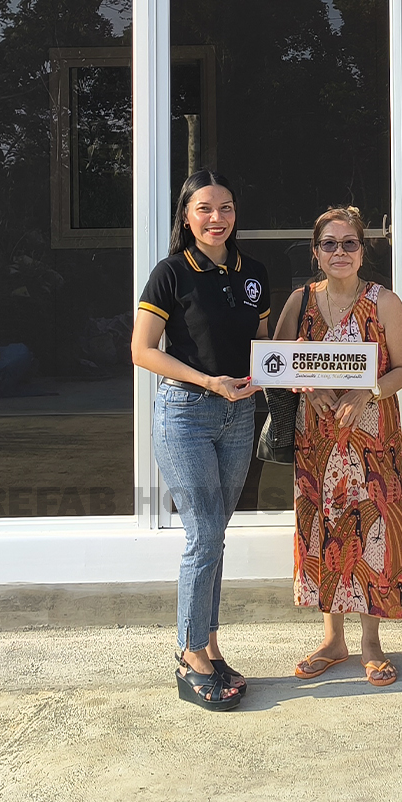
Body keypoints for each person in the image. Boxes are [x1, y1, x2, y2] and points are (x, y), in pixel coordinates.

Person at [132, 169, 270, 711]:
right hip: (186, 414)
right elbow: (143, 351)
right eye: (205, 209)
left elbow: (262, 345)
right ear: (186, 217)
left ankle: (209, 646)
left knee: (215, 534)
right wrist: (209, 382)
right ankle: (190, 654)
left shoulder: (253, 272)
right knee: (204, 533)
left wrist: (284, 370)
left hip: (240, 415)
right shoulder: (170, 273)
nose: (218, 218)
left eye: (226, 208)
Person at [274, 206, 402, 685]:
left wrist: (367, 390)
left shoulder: (384, 302)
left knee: (372, 534)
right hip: (317, 438)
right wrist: (307, 385)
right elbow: (278, 361)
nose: (340, 251)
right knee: (322, 530)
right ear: (316, 252)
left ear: (362, 249)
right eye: (329, 244)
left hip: (372, 437)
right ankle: (332, 640)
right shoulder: (300, 301)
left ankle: (371, 643)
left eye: (349, 243)